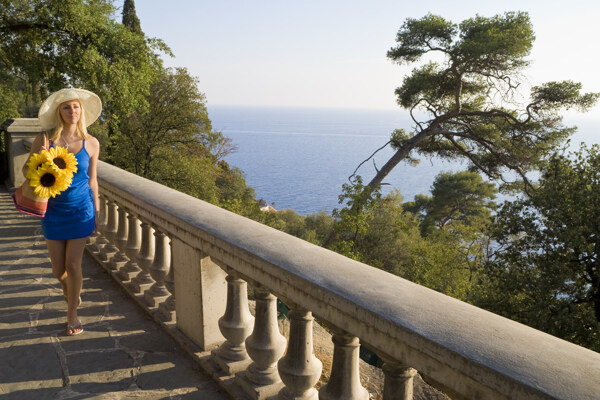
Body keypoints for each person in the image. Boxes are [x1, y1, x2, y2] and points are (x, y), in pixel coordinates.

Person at [23, 88, 102, 336]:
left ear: (82, 111)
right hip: (53, 212)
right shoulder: (46, 139)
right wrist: (43, 165)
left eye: (76, 107)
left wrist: (97, 212)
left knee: (73, 264)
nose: (72, 111)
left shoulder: (91, 143)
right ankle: (72, 294)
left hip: (81, 211)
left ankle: (72, 314)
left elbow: (93, 181)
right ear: (59, 111)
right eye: (67, 107)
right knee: (59, 270)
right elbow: (27, 169)